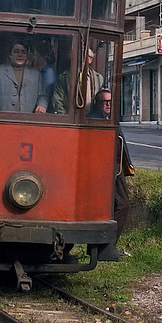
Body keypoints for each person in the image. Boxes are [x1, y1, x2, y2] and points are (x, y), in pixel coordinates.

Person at [88, 88, 133, 261]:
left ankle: (107, 246)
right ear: (98, 103)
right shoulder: (95, 118)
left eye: (110, 101)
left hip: (115, 169)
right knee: (114, 205)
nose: (108, 104)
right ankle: (104, 247)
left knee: (122, 204)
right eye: (104, 101)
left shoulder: (112, 119)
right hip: (103, 170)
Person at [0, 40, 48, 113]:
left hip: (27, 120)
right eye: (16, 51)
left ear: (27, 55)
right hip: (1, 120)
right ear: (10, 54)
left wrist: (42, 105)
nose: (20, 55)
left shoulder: (36, 74)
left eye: (23, 52)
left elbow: (42, 95)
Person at [51, 48, 104, 113]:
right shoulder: (64, 78)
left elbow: (100, 101)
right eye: (79, 57)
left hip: (90, 119)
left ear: (90, 60)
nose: (81, 60)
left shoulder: (98, 78)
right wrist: (66, 117)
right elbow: (57, 101)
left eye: (84, 57)